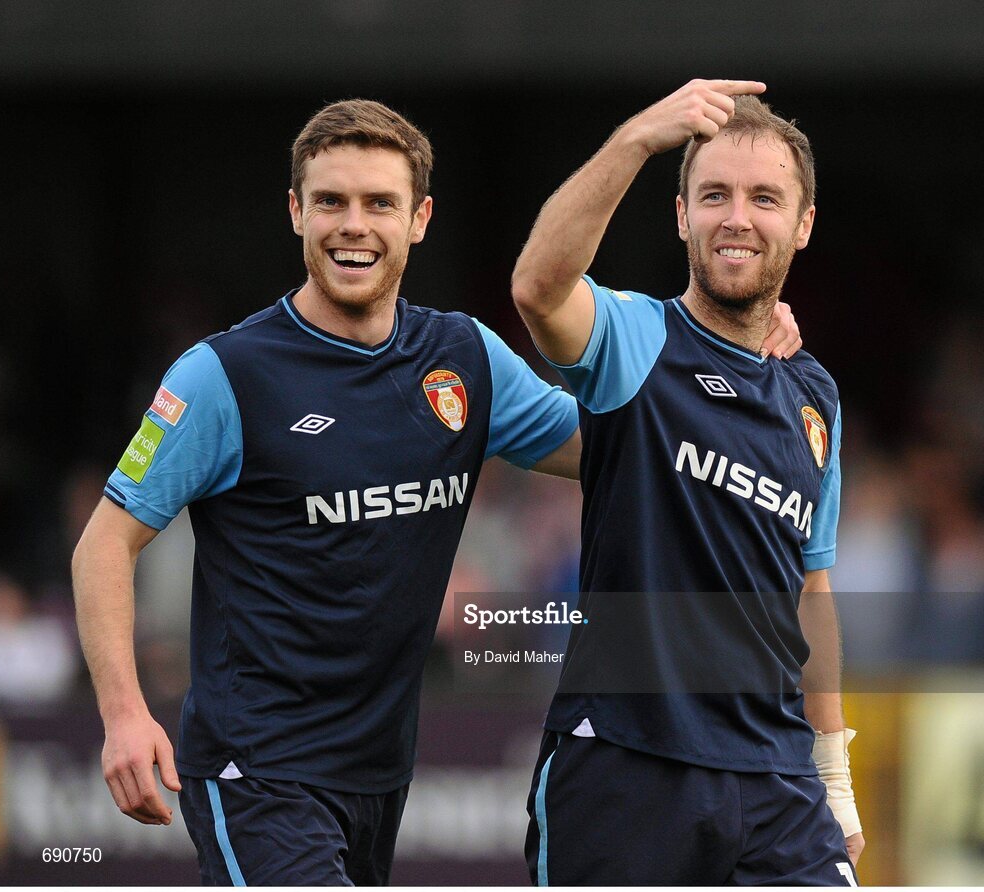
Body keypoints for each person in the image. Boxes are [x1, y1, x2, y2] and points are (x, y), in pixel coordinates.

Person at [72, 98, 802, 886]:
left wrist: (732, 345)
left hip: (380, 772)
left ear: (418, 218)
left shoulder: (464, 359)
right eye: (331, 202)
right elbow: (105, 542)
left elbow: (631, 444)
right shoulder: (223, 376)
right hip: (257, 770)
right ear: (295, 213)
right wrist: (123, 712)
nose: (355, 225)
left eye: (379, 203)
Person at [512, 79, 864, 885]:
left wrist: (835, 778)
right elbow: (538, 288)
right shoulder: (637, 337)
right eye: (714, 195)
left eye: (764, 198)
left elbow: (813, 586)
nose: (738, 217)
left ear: (803, 225)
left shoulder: (816, 396)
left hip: (777, 780)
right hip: (625, 768)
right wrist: (638, 138)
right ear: (682, 217)